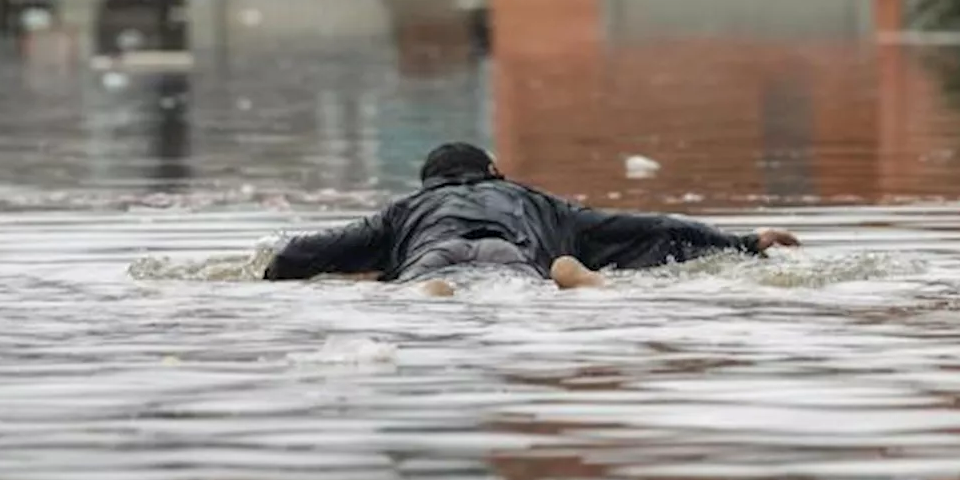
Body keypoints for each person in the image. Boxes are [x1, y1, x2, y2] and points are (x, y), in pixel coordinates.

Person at [262, 142, 800, 295]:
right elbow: (652, 228)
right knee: (545, 283)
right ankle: (577, 278)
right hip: (515, 256)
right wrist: (744, 243)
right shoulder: (541, 203)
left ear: (428, 184)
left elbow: (310, 251)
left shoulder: (406, 211)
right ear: (496, 172)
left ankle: (428, 294)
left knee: (411, 289)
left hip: (434, 257)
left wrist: (272, 266)